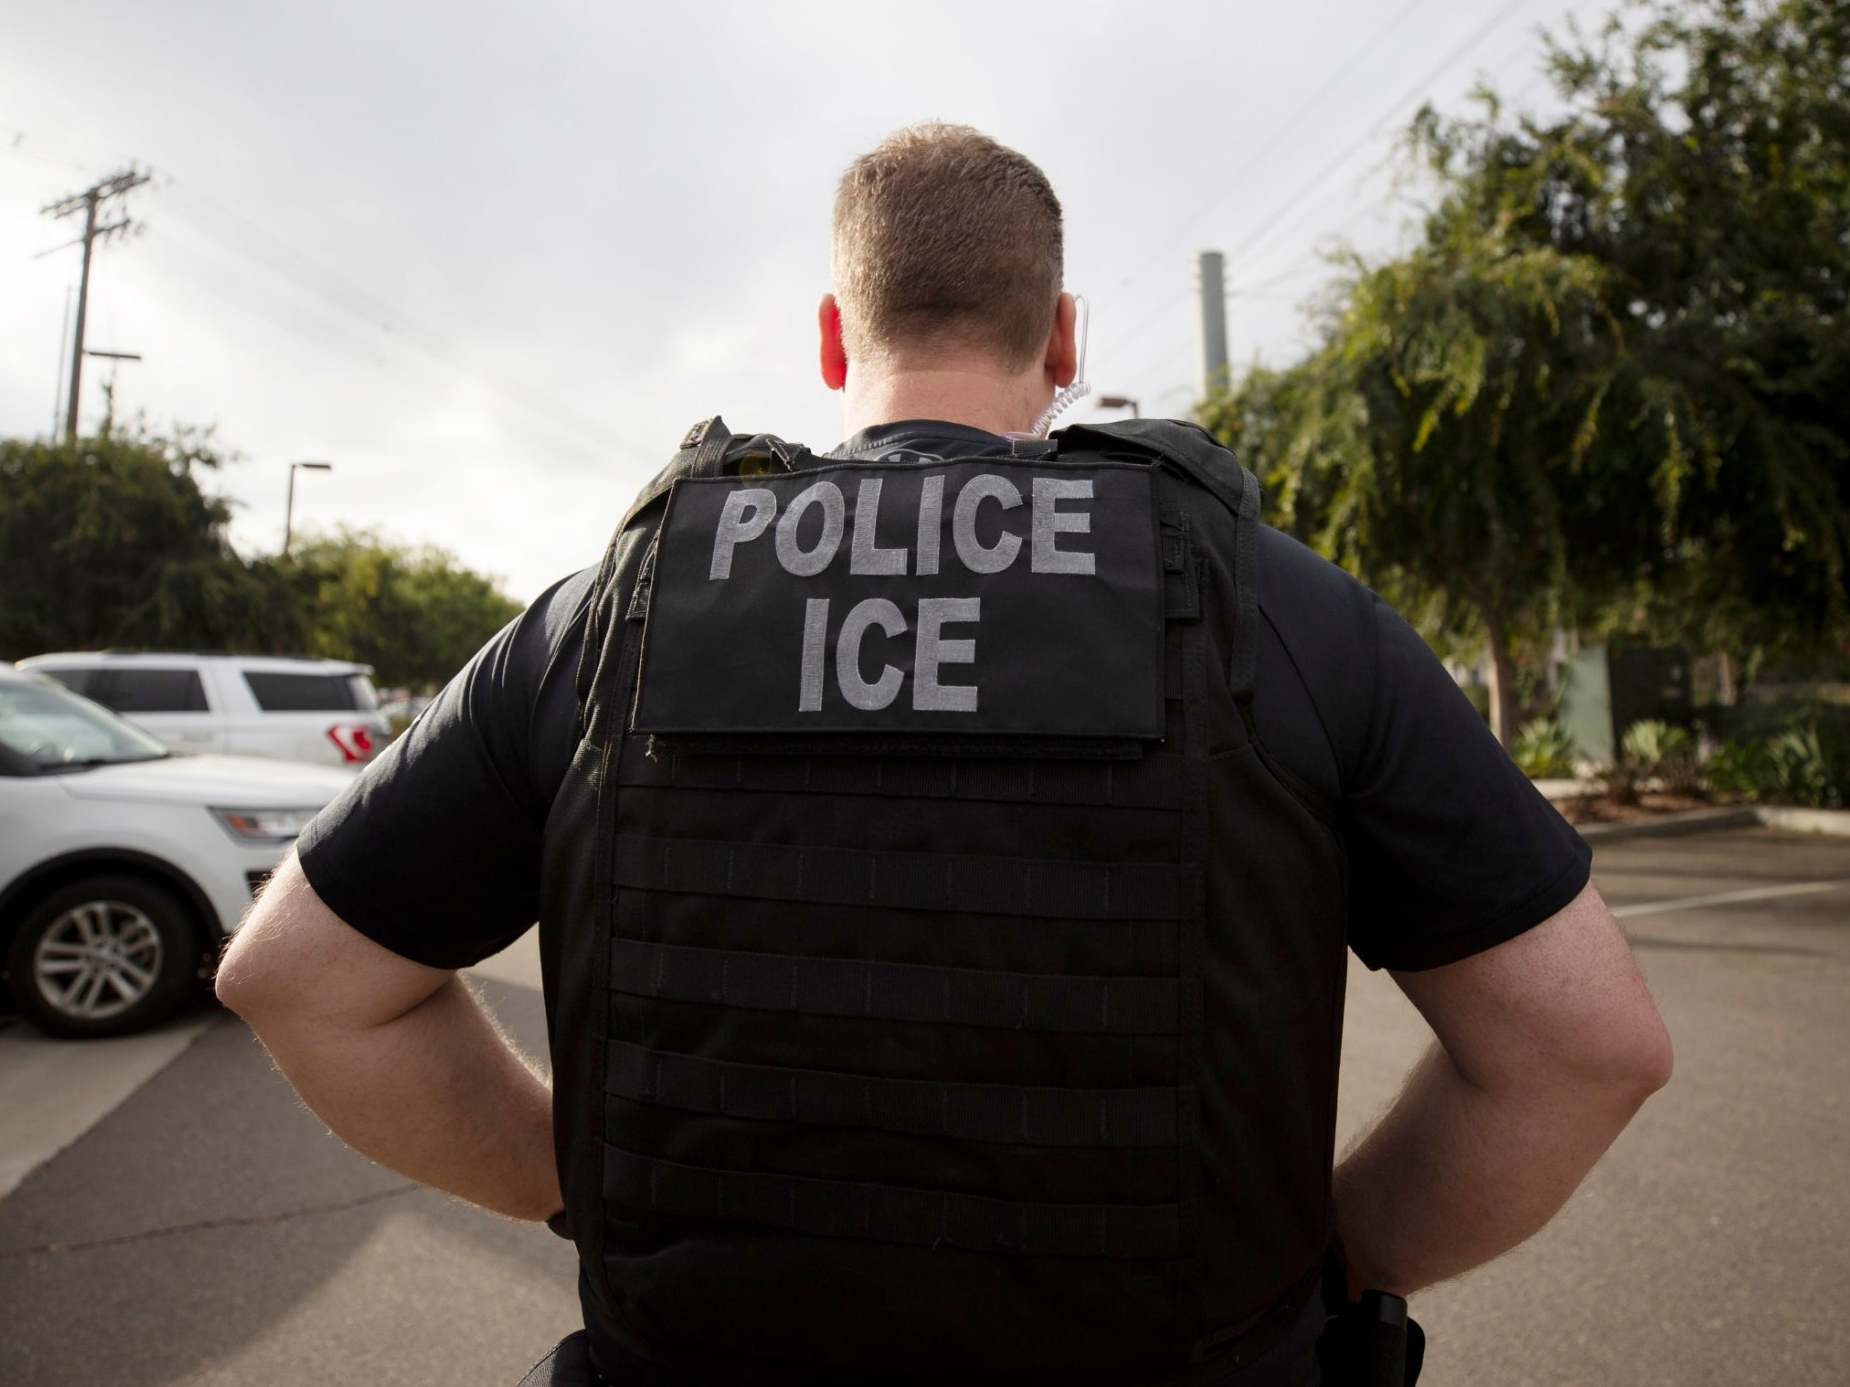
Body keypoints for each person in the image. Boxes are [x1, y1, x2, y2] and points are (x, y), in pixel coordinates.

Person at [217, 123, 1673, 1386]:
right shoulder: (1275, 607)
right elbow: (1581, 1050)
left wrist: (571, 1182)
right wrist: (1335, 1261)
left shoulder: (617, 612)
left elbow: (298, 981)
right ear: (1062, 340)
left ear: (835, 339)